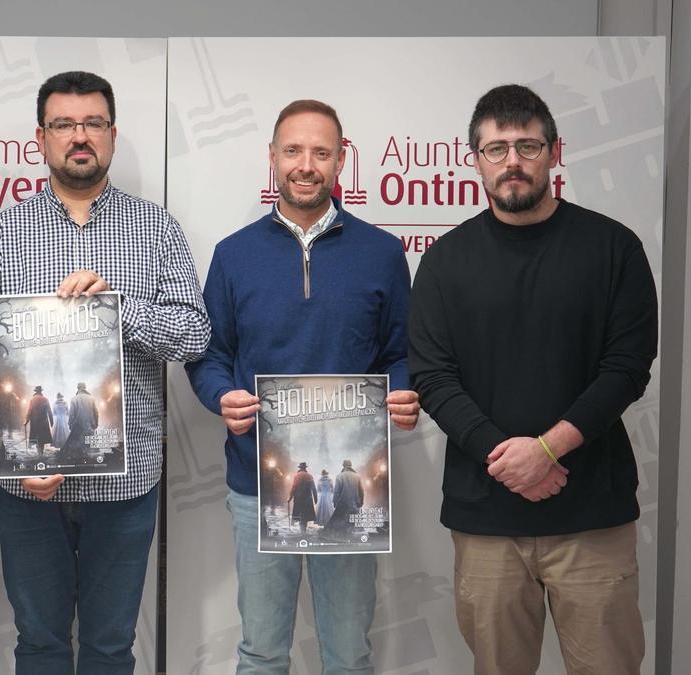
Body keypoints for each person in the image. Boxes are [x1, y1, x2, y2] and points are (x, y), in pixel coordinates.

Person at [0, 70, 209, 674]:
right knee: (39, 645)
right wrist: (22, 448)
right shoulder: (4, 233)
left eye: (92, 123)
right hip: (28, 489)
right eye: (64, 124)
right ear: (40, 139)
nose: (79, 136)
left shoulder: (155, 228)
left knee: (110, 648)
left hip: (125, 485)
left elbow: (195, 334)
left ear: (113, 136)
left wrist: (121, 309)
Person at [408, 84, 658, 675]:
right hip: (487, 519)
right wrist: (509, 458)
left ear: (554, 151)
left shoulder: (614, 248)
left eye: (527, 145)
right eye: (496, 149)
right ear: (475, 160)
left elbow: (627, 369)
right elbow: (434, 376)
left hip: (592, 514)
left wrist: (547, 449)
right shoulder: (445, 261)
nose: (512, 161)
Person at [185, 99, 419, 674]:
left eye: (321, 151)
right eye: (293, 150)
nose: (306, 164)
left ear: (341, 160)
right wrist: (221, 396)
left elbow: (403, 354)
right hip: (256, 483)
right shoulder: (234, 255)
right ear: (272, 157)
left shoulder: (383, 254)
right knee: (262, 652)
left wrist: (405, 393)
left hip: (353, 483)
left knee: (348, 653)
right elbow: (208, 355)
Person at [326, 460, 364, 541]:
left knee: (339, 526)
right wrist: (361, 502)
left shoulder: (340, 476)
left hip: (342, 505)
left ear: (343, 466)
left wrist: (335, 502)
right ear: (351, 465)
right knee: (354, 525)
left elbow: (336, 491)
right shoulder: (357, 476)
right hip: (354, 505)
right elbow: (361, 491)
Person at [63, 381, 100, 460]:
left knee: (77, 449)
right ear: (85, 388)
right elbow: (96, 412)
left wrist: (70, 424)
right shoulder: (91, 398)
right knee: (90, 448)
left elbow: (71, 414)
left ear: (78, 388)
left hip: (78, 427)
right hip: (89, 426)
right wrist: (96, 423)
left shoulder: (74, 399)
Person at [287, 462, 319, 536]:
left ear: (300, 468)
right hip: (307, 499)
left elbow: (293, 488)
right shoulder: (310, 476)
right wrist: (315, 498)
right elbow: (313, 489)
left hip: (298, 498)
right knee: (305, 515)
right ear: (305, 468)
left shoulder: (297, 476)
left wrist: (290, 498)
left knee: (299, 514)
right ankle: (303, 530)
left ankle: (302, 531)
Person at [27, 386, 55, 456]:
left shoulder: (32, 399)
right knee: (42, 438)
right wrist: (51, 421)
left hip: (35, 422)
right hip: (43, 422)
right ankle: (41, 452)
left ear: (36, 392)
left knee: (37, 437)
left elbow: (29, 411)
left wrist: (26, 420)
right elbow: (49, 411)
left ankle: (39, 452)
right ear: (41, 392)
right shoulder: (45, 399)